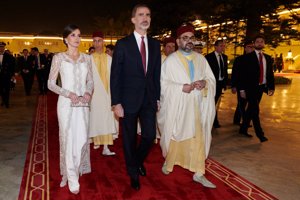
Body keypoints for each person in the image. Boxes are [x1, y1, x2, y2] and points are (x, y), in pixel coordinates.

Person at [157, 24, 216, 188]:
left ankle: (199, 172)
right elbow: (163, 85)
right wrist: (180, 88)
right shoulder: (170, 61)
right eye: (185, 38)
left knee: (198, 138)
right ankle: (169, 163)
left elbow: (210, 80)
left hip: (197, 107)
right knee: (176, 135)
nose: (189, 41)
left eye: (191, 38)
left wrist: (204, 82)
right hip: (179, 108)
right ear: (178, 41)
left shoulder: (201, 59)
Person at [110, 4, 161, 191]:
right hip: (127, 100)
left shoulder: (156, 44)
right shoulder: (123, 44)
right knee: (129, 139)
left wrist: (157, 97)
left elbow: (156, 74)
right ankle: (133, 172)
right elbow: (115, 75)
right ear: (133, 20)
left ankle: (137, 161)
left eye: (148, 14)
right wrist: (116, 102)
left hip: (148, 99)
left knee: (149, 136)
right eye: (141, 15)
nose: (145, 18)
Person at [48, 24, 93, 194]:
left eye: (79, 35)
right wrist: (68, 93)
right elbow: (50, 83)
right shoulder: (58, 58)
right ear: (66, 39)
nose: (77, 38)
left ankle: (76, 167)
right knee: (68, 139)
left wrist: (88, 92)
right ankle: (71, 176)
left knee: (81, 138)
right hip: (66, 104)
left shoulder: (87, 58)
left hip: (83, 104)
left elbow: (90, 80)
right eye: (73, 35)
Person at [238, 35, 275, 142]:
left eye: (261, 41)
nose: (259, 43)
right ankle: (260, 134)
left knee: (250, 109)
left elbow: (269, 74)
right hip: (250, 88)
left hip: (261, 88)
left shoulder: (267, 58)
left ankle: (243, 129)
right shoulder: (247, 57)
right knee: (255, 110)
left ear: (264, 44)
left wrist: (271, 87)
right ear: (254, 44)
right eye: (257, 41)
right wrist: (241, 89)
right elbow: (242, 75)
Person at [89, 31, 117, 156]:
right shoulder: (88, 59)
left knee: (106, 118)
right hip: (95, 95)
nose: (97, 43)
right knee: (95, 117)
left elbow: (115, 79)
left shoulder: (110, 59)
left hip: (108, 94)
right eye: (94, 41)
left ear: (103, 42)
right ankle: (96, 140)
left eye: (99, 40)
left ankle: (106, 146)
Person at [205, 40, 228, 128]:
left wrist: (225, 83)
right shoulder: (208, 57)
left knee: (215, 103)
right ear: (215, 46)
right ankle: (212, 121)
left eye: (224, 46)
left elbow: (224, 71)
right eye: (221, 46)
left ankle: (214, 120)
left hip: (220, 83)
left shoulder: (225, 57)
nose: (223, 47)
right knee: (211, 103)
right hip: (211, 84)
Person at [231, 41, 254, 125]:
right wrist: (233, 86)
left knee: (250, 105)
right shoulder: (239, 59)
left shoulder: (256, 59)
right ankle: (240, 121)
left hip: (252, 87)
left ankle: (243, 121)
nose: (251, 48)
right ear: (245, 48)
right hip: (241, 86)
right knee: (241, 105)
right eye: (249, 47)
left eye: (252, 47)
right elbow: (235, 73)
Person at [0, 42, 16, 108]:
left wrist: (12, 75)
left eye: (2, 47)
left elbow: (13, 66)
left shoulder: (9, 56)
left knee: (6, 89)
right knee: (0, 90)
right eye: (0, 47)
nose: (1, 48)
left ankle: (7, 102)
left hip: (6, 75)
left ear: (4, 48)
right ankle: (3, 100)